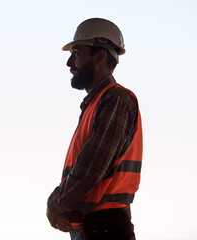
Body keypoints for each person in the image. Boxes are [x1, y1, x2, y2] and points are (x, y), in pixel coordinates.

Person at [46, 18, 143, 240]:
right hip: (95, 225)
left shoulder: (115, 99)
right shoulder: (97, 102)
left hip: (104, 226)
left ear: (100, 57)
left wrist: (55, 204)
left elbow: (92, 166)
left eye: (77, 53)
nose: (69, 62)